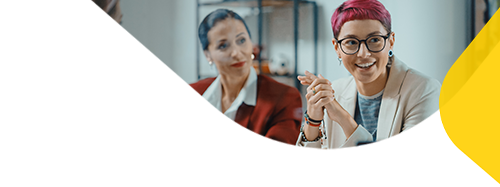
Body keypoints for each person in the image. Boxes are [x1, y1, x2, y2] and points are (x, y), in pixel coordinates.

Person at [295, 0, 441, 150]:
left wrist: (343, 118)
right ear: (337, 48)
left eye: (375, 40)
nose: (363, 53)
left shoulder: (425, 90)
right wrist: (313, 119)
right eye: (351, 42)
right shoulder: (335, 91)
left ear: (391, 41)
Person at [188, 9, 302, 150]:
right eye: (223, 45)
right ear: (208, 55)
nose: (236, 53)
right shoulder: (191, 94)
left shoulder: (284, 98)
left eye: (241, 40)